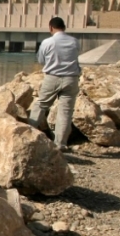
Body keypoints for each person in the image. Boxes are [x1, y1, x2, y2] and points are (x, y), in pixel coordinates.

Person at [29, 17, 81, 151]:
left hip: (52, 77)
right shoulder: (74, 41)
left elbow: (40, 59)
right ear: (64, 27)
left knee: (41, 105)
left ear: (51, 28)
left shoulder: (48, 42)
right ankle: (60, 144)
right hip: (71, 78)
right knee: (65, 111)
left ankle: (28, 137)